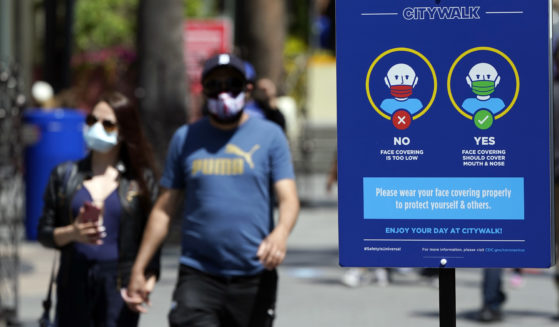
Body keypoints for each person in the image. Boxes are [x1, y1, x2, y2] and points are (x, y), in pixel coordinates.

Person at [123, 53, 300, 327]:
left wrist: (281, 233)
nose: (224, 92)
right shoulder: (186, 138)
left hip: (253, 275)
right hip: (198, 274)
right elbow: (164, 209)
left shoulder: (270, 136)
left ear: (247, 89)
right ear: (204, 90)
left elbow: (288, 198)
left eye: (232, 84)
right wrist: (139, 267)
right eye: (214, 85)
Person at [37, 92, 160, 327]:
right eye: (92, 121)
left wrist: (146, 282)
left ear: (124, 131)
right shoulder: (65, 175)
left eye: (108, 124)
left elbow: (152, 237)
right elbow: (44, 232)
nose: (97, 128)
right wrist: (73, 233)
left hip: (118, 285)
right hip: (73, 282)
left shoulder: (140, 181)